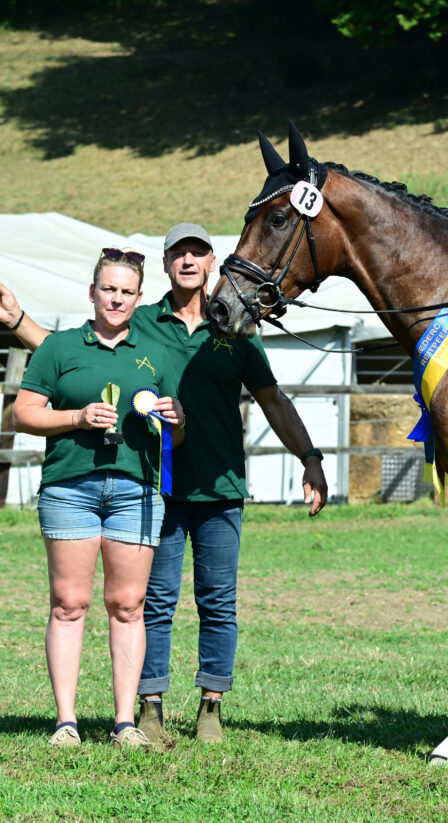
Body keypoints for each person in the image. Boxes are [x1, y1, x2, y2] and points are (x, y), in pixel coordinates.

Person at [0, 222, 328, 744]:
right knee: (149, 602)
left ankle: (211, 707)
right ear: (167, 262)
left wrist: (309, 457)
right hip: (156, 486)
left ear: (212, 263)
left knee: (218, 600)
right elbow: (72, 355)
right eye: (179, 252)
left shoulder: (236, 329)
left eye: (198, 252)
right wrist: (19, 321)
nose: (189, 261)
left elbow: (273, 399)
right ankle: (147, 706)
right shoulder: (143, 321)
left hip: (220, 486)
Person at [13, 248, 186, 748]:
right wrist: (76, 418)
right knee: (69, 603)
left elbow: (180, 436)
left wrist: (177, 422)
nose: (116, 299)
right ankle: (65, 723)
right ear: (92, 292)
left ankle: (125, 723)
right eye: (108, 289)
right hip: (70, 488)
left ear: (138, 297)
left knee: (128, 605)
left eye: (127, 291)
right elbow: (22, 413)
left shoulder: (157, 355)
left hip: (137, 490)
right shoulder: (59, 347)